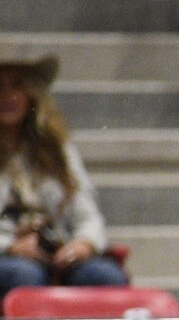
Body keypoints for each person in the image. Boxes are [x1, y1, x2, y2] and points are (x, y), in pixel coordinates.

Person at [0, 54, 123, 293]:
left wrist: (83, 244)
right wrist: (10, 246)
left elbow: (87, 213)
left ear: (32, 93)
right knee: (25, 275)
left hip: (56, 248)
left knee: (104, 276)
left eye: (16, 85)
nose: (7, 96)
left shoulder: (56, 149)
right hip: (7, 253)